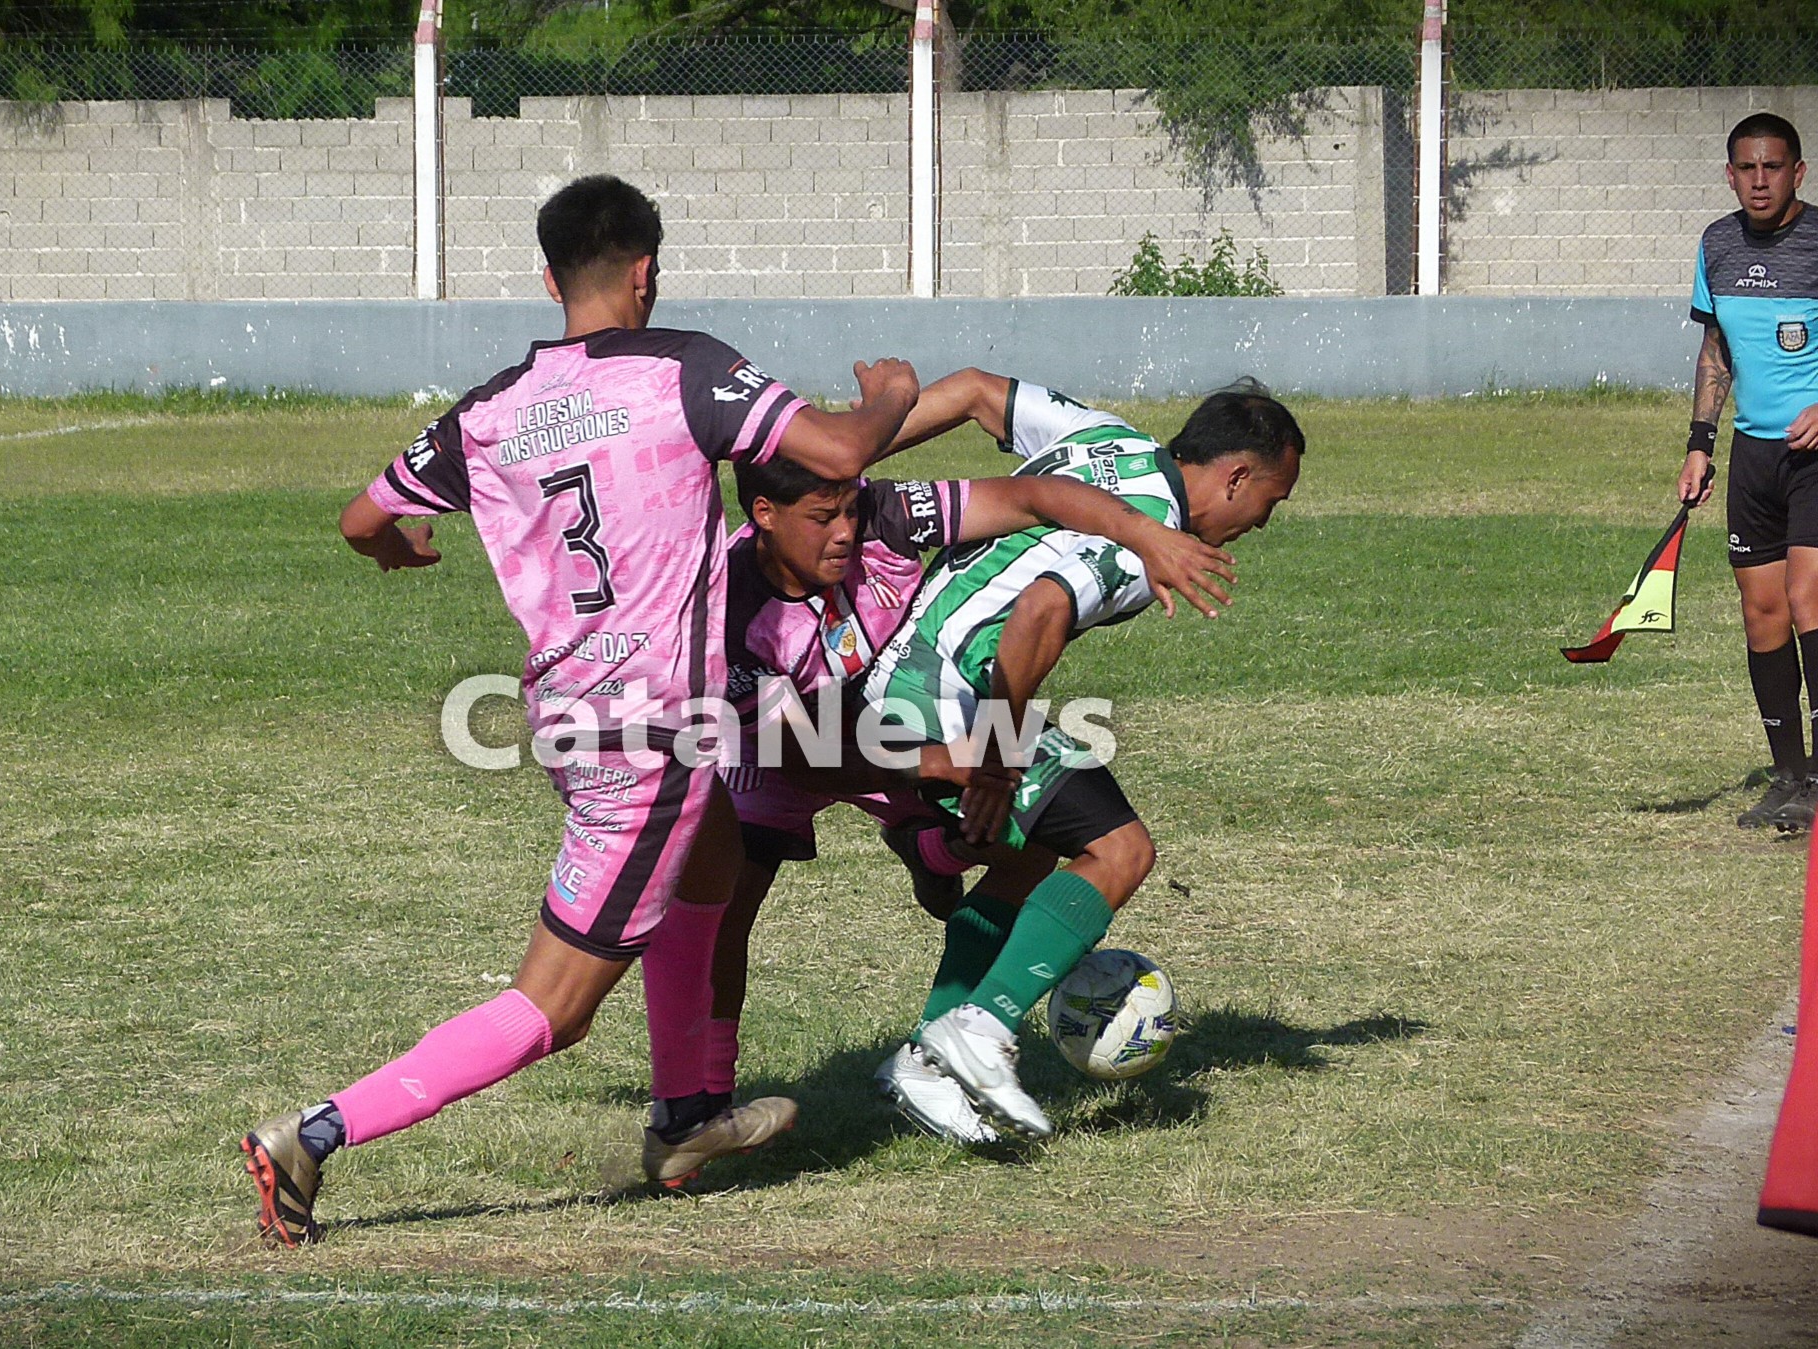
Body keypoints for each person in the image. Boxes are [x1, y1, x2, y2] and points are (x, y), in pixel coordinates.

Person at [237, 174, 922, 1247]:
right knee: (553, 1007)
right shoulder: (684, 368)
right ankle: (313, 1133)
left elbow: (360, 517)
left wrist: (394, 547)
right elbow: (836, 454)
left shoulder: (491, 409)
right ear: (645, 270)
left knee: (715, 845)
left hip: (574, 716)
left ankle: (683, 1116)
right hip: (646, 735)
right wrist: (886, 394)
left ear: (550, 278)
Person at [638, 447, 1239, 1169]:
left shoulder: (887, 515)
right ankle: (704, 1110)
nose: (844, 533)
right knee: (726, 902)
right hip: (786, 740)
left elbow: (1033, 495)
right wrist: (942, 761)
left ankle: (934, 890)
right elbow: (797, 753)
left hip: (884, 711)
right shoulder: (732, 609)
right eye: (823, 517)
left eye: (850, 512)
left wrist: (1145, 535)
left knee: (1026, 840)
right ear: (763, 516)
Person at [858, 369, 1304, 1138]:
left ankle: (925, 1061)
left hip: (898, 676)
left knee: (1028, 855)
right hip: (938, 705)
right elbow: (1041, 609)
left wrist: (847, 454)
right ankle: (979, 1026)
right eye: (1272, 499)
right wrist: (997, 756)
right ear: (1235, 476)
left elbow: (969, 389)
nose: (1264, 522)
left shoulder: (1105, 437)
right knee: (1122, 850)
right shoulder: (1150, 542)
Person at [1680, 113, 1818, 831]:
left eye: (1773, 166)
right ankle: (1790, 777)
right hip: (1753, 457)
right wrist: (1700, 443)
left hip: (1816, 459)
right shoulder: (1717, 244)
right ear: (1730, 174)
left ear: (1798, 172)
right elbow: (1715, 352)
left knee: (1806, 599)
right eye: (1745, 168)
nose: (1759, 179)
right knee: (1761, 613)